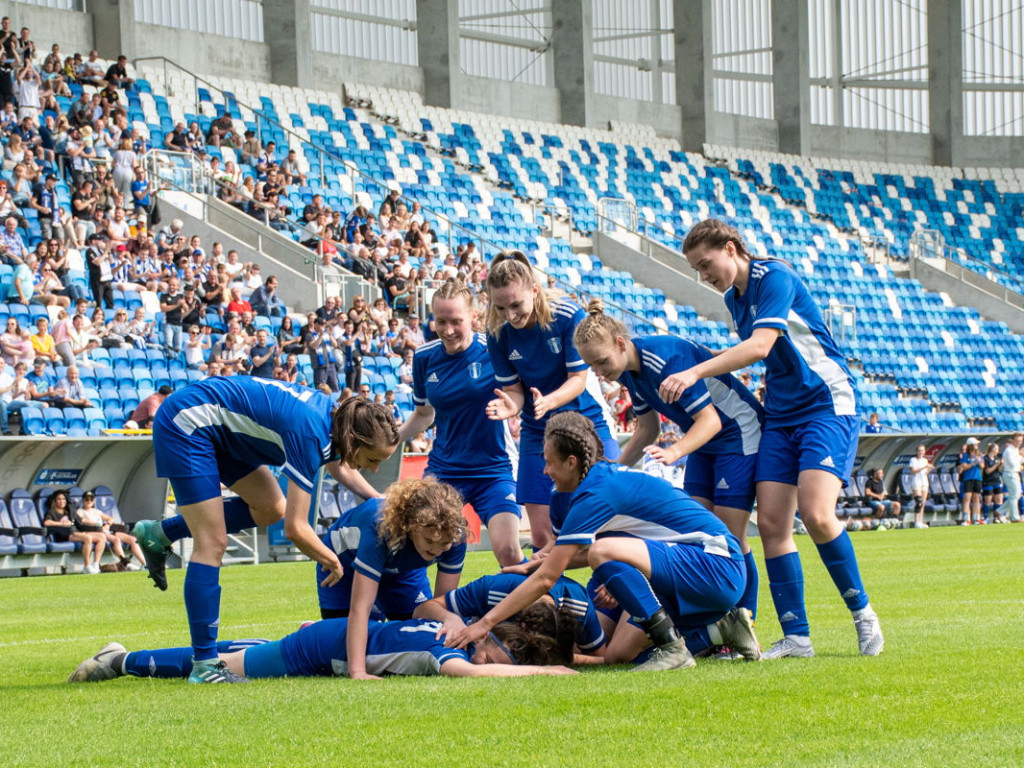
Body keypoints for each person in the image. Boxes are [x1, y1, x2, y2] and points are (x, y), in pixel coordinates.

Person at [677, 219, 882, 658]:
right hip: (781, 414)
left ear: (731, 249)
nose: (703, 276)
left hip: (826, 403)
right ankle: (797, 637)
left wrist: (694, 369)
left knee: (817, 513)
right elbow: (752, 353)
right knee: (771, 522)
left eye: (706, 264)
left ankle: (863, 614)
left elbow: (759, 348)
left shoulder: (775, 276)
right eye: (696, 269)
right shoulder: (735, 299)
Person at [129, 381, 400, 683]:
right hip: (188, 423)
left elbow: (338, 467)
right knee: (212, 543)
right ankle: (205, 664)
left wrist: (381, 502)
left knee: (271, 507)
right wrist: (331, 558)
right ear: (354, 441)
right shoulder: (310, 432)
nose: (374, 469)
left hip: (218, 430)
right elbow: (296, 529)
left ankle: (160, 533)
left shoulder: (335, 421)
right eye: (373, 460)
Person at [447, 412, 760, 671]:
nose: (544, 470)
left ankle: (673, 647)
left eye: (549, 461)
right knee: (617, 656)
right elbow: (565, 560)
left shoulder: (595, 493)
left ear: (571, 462)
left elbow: (551, 575)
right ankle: (717, 630)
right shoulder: (589, 486)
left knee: (602, 550)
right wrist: (534, 565)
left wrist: (485, 622)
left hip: (717, 568)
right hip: (692, 568)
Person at [573, 301, 764, 622]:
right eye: (591, 366)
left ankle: (744, 622)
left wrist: (674, 452)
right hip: (704, 442)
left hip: (738, 436)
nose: (599, 372)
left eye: (601, 361)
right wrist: (610, 468)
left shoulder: (661, 359)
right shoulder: (630, 374)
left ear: (621, 343)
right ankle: (711, 623)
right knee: (694, 533)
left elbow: (712, 421)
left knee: (727, 538)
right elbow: (648, 429)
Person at [485, 251, 620, 550]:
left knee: (612, 525)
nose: (510, 315)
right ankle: (549, 598)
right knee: (541, 537)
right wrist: (512, 405)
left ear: (534, 289)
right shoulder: (497, 332)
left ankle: (616, 592)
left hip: (587, 421)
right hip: (539, 429)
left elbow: (578, 379)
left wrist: (549, 400)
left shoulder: (566, 315)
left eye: (516, 304)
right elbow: (516, 391)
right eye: (501, 307)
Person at [397, 280, 525, 567]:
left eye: (456, 321)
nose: (448, 330)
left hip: (495, 469)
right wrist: (393, 438)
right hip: (445, 470)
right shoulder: (424, 357)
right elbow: (424, 414)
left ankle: (538, 607)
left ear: (474, 317)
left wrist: (513, 406)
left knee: (508, 551)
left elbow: (522, 392)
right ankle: (424, 606)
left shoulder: (494, 349)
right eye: (441, 321)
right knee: (415, 543)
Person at [68, 617, 576, 684]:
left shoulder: (452, 631)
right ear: (484, 640)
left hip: (331, 637)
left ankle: (120, 654)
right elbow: (468, 675)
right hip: (323, 647)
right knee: (224, 670)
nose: (482, 662)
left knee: (240, 652)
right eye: (490, 656)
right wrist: (545, 675)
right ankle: (117, 662)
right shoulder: (452, 651)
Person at [318, 477, 467, 679]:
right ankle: (312, 629)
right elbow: (360, 607)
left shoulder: (456, 536)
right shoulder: (380, 530)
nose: (436, 550)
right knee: (339, 648)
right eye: (429, 540)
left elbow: (440, 606)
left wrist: (449, 621)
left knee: (416, 632)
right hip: (343, 565)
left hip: (403, 570)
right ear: (410, 526)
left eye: (444, 543)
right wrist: (358, 672)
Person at [414, 572, 606, 659]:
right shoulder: (494, 589)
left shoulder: (579, 604)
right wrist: (451, 619)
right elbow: (422, 609)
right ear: (518, 623)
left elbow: (601, 658)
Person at [42, 489, 106, 574]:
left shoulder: (68, 511)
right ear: (55, 501)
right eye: (59, 499)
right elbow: (46, 522)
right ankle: (87, 566)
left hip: (75, 532)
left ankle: (95, 564)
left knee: (102, 537)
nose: (62, 501)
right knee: (87, 538)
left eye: (64, 499)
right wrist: (62, 523)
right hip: (63, 534)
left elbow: (79, 521)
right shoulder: (52, 511)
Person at [77, 490, 146, 569]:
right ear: (83, 501)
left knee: (133, 539)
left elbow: (110, 518)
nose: (89, 501)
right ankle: (126, 563)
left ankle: (144, 564)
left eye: (91, 499)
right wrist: (96, 523)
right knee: (116, 539)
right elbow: (81, 521)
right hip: (95, 532)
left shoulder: (96, 511)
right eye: (87, 499)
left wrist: (107, 524)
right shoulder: (80, 511)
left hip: (106, 530)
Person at [907, 444, 934, 529]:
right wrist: (924, 467)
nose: (921, 452)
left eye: (922, 450)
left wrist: (929, 469)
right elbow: (914, 471)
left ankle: (921, 521)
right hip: (916, 482)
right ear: (916, 451)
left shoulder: (925, 460)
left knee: (923, 503)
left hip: (924, 482)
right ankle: (916, 521)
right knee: (918, 501)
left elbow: (925, 472)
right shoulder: (913, 460)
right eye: (919, 450)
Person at [998, 432, 1022, 523]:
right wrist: (1020, 458)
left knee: (1016, 495)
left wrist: (1020, 458)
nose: (1019, 443)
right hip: (1010, 473)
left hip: (1015, 473)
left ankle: (999, 511)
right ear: (1012, 440)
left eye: (1020, 441)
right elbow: (1012, 464)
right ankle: (1014, 517)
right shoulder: (1009, 451)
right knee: (1015, 496)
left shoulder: (1015, 450)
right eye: (1017, 441)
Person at [959, 438, 983, 525]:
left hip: (977, 478)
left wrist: (979, 461)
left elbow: (982, 466)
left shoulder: (979, 454)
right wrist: (973, 463)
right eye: (975, 444)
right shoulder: (965, 455)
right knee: (967, 499)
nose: (977, 446)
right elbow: (964, 467)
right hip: (968, 479)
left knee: (976, 498)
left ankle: (976, 518)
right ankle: (966, 519)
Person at [981, 442, 1005, 524]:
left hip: (997, 480)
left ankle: (997, 517)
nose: (998, 451)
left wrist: (1001, 464)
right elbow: (987, 471)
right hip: (988, 481)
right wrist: (996, 465)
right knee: (987, 500)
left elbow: (999, 469)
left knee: (998, 499)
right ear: (993, 450)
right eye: (997, 449)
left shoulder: (997, 458)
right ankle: (985, 517)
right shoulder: (986, 459)